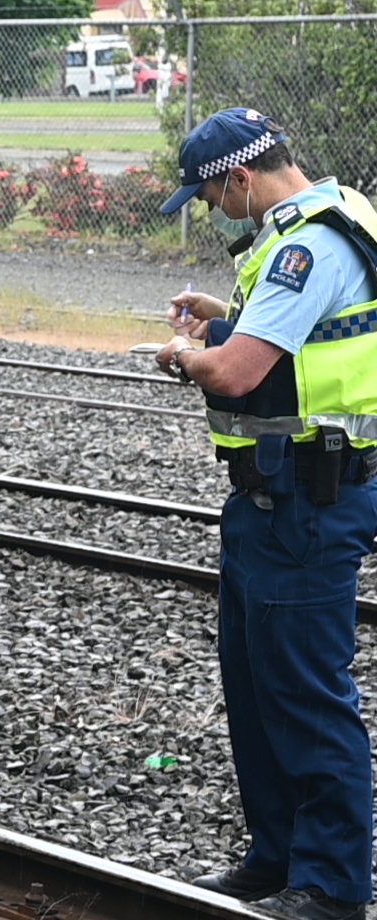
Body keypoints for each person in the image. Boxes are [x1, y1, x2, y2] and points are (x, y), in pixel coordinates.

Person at [156, 108, 377, 920]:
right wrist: (223, 314)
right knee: (256, 688)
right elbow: (304, 347)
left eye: (210, 196)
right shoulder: (336, 214)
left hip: (306, 502)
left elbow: (241, 375)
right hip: (273, 496)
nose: (212, 210)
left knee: (307, 695)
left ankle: (331, 885)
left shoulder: (301, 247)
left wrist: (183, 355)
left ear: (240, 178)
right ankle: (276, 856)